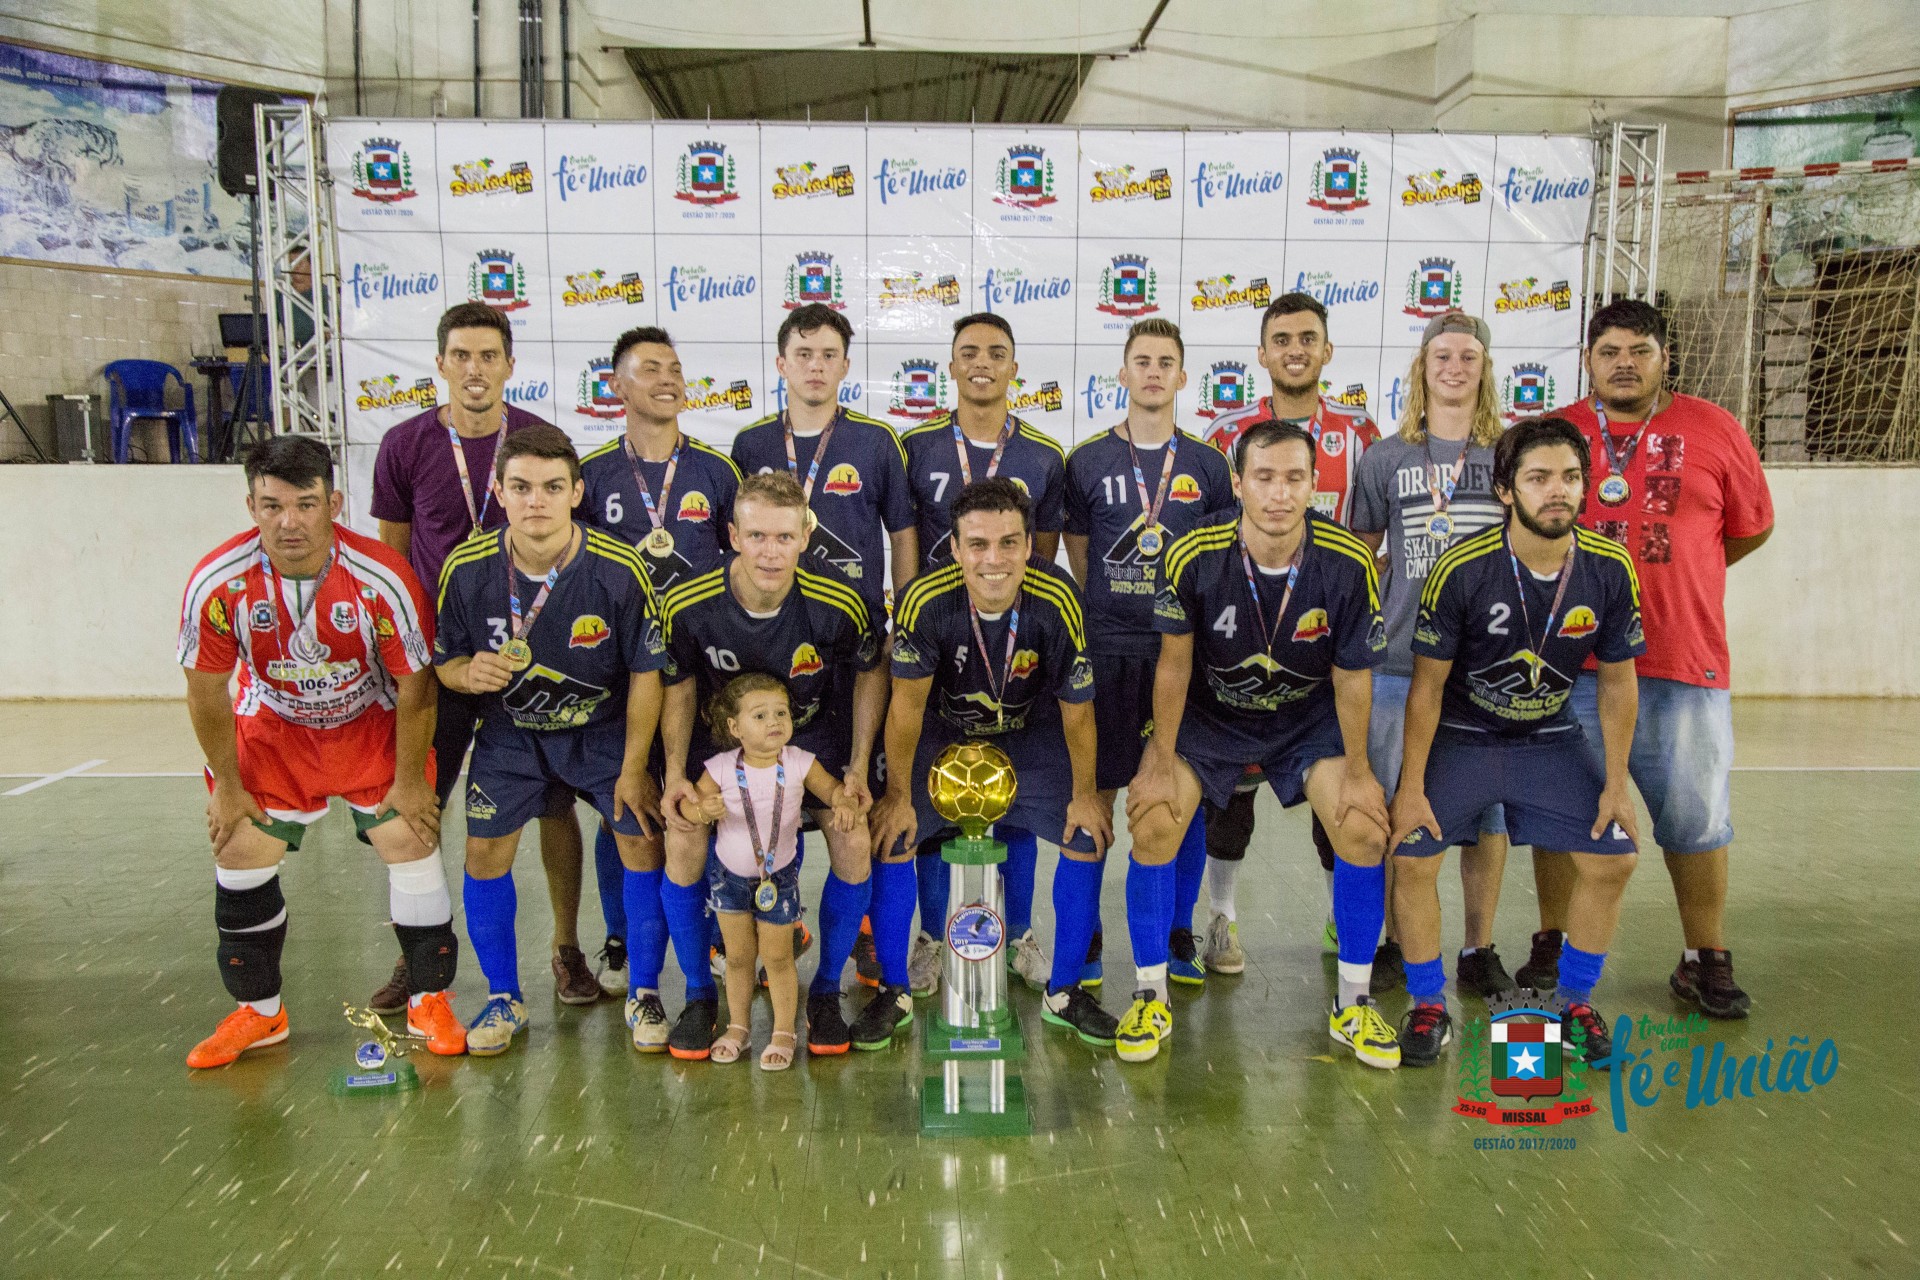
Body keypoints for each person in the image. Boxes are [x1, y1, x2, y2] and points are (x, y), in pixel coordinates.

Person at [179, 436, 465, 1066]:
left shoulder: (383, 578)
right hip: (274, 728)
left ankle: (428, 1001)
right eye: (271, 505)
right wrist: (228, 785)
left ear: (333, 502)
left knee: (411, 841)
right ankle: (260, 1014)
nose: (289, 521)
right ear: (250, 505)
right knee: (240, 850)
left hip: (370, 722)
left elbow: (416, 687)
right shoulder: (218, 583)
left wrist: (413, 778)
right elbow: (205, 688)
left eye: (306, 504)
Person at [1125, 421, 1395, 1067]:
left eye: (1295, 478)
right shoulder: (1193, 553)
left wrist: (1359, 771)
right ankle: (1148, 993)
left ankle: (1354, 1005)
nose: (1279, 494)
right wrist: (1158, 762)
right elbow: (1173, 664)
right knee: (1154, 824)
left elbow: (1352, 676)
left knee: (1361, 829)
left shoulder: (1348, 561)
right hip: (1211, 718)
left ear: (1314, 486)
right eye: (1264, 478)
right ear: (1239, 483)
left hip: (1305, 721)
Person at [1534, 299, 1773, 1018]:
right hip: (1567, 667)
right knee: (1559, 816)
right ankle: (1552, 943)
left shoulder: (1715, 428)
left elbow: (1748, 529)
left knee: (1695, 819)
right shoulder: (1555, 434)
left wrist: (1681, 575)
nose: (1624, 364)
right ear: (1588, 360)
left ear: (1664, 357)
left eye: (1639, 350)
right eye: (1609, 351)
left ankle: (1706, 956)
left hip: (1681, 662)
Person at [1389, 416, 1644, 1068]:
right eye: (1538, 478)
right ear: (1506, 489)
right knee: (1412, 854)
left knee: (1615, 855)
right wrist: (1412, 788)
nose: (1556, 491)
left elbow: (1617, 684)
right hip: (1463, 737)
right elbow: (1426, 688)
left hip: (1549, 738)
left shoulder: (1609, 567)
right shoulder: (1462, 568)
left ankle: (1575, 1001)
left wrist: (1616, 782)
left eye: (1568, 478)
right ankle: (1426, 1003)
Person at [368, 301, 594, 1010]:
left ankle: (566, 949)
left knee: (554, 808)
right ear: (439, 364)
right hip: (444, 661)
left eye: (488, 356)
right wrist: (403, 655)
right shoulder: (403, 444)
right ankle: (419, 955)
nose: (474, 369)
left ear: (509, 366)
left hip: (533, 657)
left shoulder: (537, 440)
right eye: (461, 355)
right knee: (420, 809)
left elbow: (564, 547)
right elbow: (393, 559)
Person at [434, 426, 667, 1055]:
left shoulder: (620, 568)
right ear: (501, 493)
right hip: (511, 736)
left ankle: (645, 991)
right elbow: (445, 662)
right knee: (483, 857)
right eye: (522, 487)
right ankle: (504, 996)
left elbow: (648, 674)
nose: (536, 500)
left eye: (552, 487)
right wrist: (465, 673)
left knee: (642, 843)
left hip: (601, 731)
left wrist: (635, 765)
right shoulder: (467, 566)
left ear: (576, 492)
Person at [869, 478, 1117, 1049]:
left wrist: (1085, 792)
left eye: (1009, 543)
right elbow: (904, 709)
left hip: (1029, 733)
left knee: (1088, 832)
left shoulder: (1056, 598)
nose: (994, 560)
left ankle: (1065, 991)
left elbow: (1078, 712)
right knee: (892, 834)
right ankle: (894, 988)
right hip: (942, 732)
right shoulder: (925, 601)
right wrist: (899, 796)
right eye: (977, 544)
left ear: (1031, 544)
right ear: (954, 549)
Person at [657, 472, 886, 1058]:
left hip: (814, 741)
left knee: (854, 840)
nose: (770, 551)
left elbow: (870, 672)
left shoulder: (840, 598)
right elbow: (678, 688)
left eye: (785, 537)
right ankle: (698, 994)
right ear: (733, 534)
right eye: (757, 535)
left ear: (806, 536)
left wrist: (857, 765)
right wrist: (677, 774)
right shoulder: (688, 600)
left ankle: (826, 989)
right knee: (682, 839)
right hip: (725, 748)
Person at [1199, 293, 1382, 973]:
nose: (1295, 349)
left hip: (1327, 639)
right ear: (1262, 353)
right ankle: (1223, 919)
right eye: (1281, 339)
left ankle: (1344, 918)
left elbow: (1369, 534)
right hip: (1241, 641)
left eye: (1308, 338)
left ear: (1328, 351)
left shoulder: (1362, 432)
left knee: (1333, 790)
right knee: (1230, 793)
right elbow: (1215, 540)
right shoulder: (1227, 433)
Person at [899, 312, 1070, 997]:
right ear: (950, 365)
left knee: (1018, 806)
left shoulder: (1045, 458)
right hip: (938, 640)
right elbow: (904, 542)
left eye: (996, 353)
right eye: (968, 352)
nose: (982, 363)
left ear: (1013, 367)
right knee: (939, 809)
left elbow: (1047, 556)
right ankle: (934, 938)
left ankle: (1020, 930)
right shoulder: (912, 448)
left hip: (1011, 652)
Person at [1065, 318, 1235, 992]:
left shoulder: (1207, 465)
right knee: (1094, 798)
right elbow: (1080, 557)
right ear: (1123, 374)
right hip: (1108, 651)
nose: (1154, 372)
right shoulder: (1087, 461)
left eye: (1167, 361)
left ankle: (1176, 932)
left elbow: (1222, 557)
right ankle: (1083, 943)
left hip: (1184, 657)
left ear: (1183, 376)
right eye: (1142, 360)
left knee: (1180, 797)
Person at [577, 325, 742, 1019]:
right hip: (621, 672)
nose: (668, 379)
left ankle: (711, 937)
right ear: (617, 386)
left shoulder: (715, 471)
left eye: (676, 367)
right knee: (628, 803)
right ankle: (622, 938)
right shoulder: (589, 475)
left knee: (700, 804)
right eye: (650, 369)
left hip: (700, 674)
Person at [1349, 311, 1515, 999]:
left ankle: (1479, 946)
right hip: (1398, 663)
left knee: (1484, 819)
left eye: (1468, 355)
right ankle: (1395, 940)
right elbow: (1359, 555)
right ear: (1421, 368)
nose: (1454, 366)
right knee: (1393, 807)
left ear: (1485, 368)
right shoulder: (1386, 457)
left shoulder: (1510, 453)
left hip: (1485, 668)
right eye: (1441, 355)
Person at [681, 674, 861, 1070]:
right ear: (733, 727)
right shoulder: (720, 768)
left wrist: (843, 802)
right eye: (759, 715)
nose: (774, 721)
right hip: (728, 880)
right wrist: (700, 811)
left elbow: (831, 791)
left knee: (779, 959)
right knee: (740, 958)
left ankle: (783, 1031)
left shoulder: (799, 762)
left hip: (777, 879)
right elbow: (688, 808)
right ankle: (739, 1027)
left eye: (781, 712)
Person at [731, 304, 917, 632]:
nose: (816, 366)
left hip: (858, 625)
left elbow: (902, 537)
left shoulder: (877, 440)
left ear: (845, 366)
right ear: (781, 364)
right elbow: (735, 542)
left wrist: (904, 626)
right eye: (804, 354)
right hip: (773, 627)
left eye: (829, 355)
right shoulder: (750, 443)